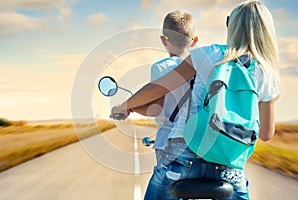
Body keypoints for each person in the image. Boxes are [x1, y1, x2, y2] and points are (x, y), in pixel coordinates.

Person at [112, 1, 280, 199]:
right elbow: (267, 133)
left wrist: (125, 106)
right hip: (229, 166)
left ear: (231, 26)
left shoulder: (208, 53)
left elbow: (160, 86)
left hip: (184, 157)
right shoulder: (267, 72)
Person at [130, 10, 198, 199]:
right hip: (199, 143)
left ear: (163, 39)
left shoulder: (161, 67)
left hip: (169, 144)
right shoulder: (203, 66)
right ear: (195, 40)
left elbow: (157, 108)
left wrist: (132, 107)